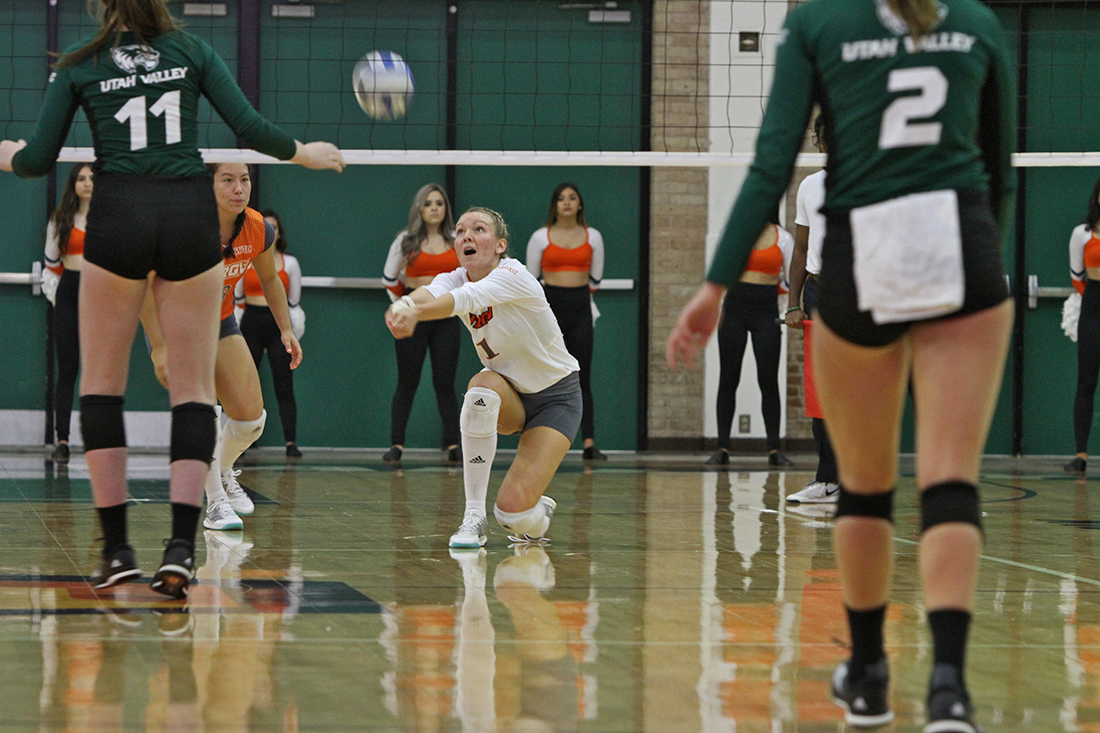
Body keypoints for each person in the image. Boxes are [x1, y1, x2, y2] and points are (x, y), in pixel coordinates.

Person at [666, 0, 1015, 730]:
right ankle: (949, 688)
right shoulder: (978, 22)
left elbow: (770, 165)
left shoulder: (819, 22)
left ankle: (868, 673)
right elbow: (1000, 171)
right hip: (963, 243)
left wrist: (714, 284)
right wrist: (980, 253)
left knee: (864, 484)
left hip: (865, 252)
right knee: (952, 477)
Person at [0, 0, 343, 599]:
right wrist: (303, 152)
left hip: (120, 211)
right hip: (187, 211)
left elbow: (35, 161)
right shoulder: (191, 51)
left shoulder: (80, 64)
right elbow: (252, 128)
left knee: (101, 386)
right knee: (194, 390)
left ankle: (117, 552)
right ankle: (182, 550)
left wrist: (6, 153)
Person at [385, 208, 581, 549]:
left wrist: (415, 314)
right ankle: (473, 517)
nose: (467, 237)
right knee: (481, 387)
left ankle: (534, 516)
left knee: (513, 515)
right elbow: (430, 293)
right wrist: (402, 305)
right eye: (460, 231)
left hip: (556, 399)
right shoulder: (457, 276)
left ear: (500, 245)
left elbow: (464, 300)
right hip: (510, 394)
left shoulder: (512, 274)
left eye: (478, 229)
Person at [143, 162, 302, 532]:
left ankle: (223, 468)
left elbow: (269, 279)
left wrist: (286, 330)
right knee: (205, 411)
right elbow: (148, 288)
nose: (238, 188)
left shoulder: (258, 227)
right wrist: (159, 347)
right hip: (178, 325)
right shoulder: (183, 225)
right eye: (227, 180)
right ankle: (215, 502)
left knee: (251, 420)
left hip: (221, 319)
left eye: (244, 179)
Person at [381, 184, 462, 464]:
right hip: (413, 319)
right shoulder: (406, 240)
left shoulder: (456, 240)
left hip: (445, 317)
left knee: (445, 383)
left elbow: (467, 278)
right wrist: (403, 306)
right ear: (420, 209)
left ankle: (454, 445)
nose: (435, 208)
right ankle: (397, 445)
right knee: (407, 382)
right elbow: (390, 278)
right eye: (428, 203)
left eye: (439, 203)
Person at [526, 183, 607, 460]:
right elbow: (532, 281)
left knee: (582, 377)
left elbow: (595, 280)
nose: (567, 203)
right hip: (551, 311)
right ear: (554, 205)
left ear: (580, 204)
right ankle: (541, 442)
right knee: (546, 376)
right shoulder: (540, 237)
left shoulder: (593, 236)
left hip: (581, 309)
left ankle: (588, 443)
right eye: (561, 198)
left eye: (573, 197)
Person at [705, 218, 794, 467]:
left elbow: (790, 279)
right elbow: (720, 268)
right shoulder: (734, 229)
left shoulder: (783, 238)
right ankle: (722, 446)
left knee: (768, 379)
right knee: (728, 377)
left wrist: (784, 309)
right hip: (734, 311)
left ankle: (774, 449)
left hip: (766, 313)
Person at [785, 115, 840, 502]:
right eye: (826, 137)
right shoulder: (809, 186)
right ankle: (827, 479)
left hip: (858, 295)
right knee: (820, 388)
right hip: (818, 295)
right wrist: (792, 302)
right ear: (818, 142)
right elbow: (801, 249)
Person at [236, 208, 304, 458]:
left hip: (276, 325)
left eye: (273, 228)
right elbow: (239, 295)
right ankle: (242, 442)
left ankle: (290, 442)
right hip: (251, 322)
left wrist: (289, 327)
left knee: (284, 384)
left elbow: (293, 298)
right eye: (266, 227)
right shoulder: (245, 257)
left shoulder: (291, 263)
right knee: (243, 384)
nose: (270, 232)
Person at [42, 164, 94, 463]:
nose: (88, 183)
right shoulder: (60, 221)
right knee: (68, 369)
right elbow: (52, 264)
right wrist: (60, 296)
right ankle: (63, 441)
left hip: (100, 298)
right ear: (73, 184)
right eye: (82, 178)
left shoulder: (106, 219)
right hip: (70, 295)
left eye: (92, 178)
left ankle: (98, 440)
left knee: (100, 373)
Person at [1064, 175, 1100, 474]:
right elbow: (1077, 276)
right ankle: (1081, 456)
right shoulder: (1082, 234)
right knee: (1086, 381)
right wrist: (1091, 299)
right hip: (1093, 308)